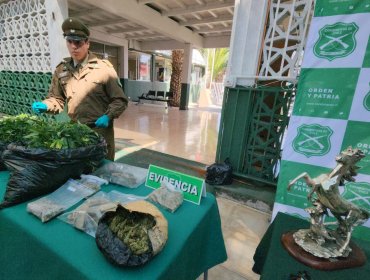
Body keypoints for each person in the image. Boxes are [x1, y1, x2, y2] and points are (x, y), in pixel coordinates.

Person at [32, 17, 128, 160]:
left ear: (87, 43)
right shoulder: (62, 69)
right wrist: (46, 105)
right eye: (69, 42)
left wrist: (108, 116)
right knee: (80, 173)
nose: (73, 47)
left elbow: (120, 100)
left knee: (101, 171)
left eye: (78, 42)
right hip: (75, 132)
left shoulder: (103, 69)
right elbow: (57, 99)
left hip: (99, 132)